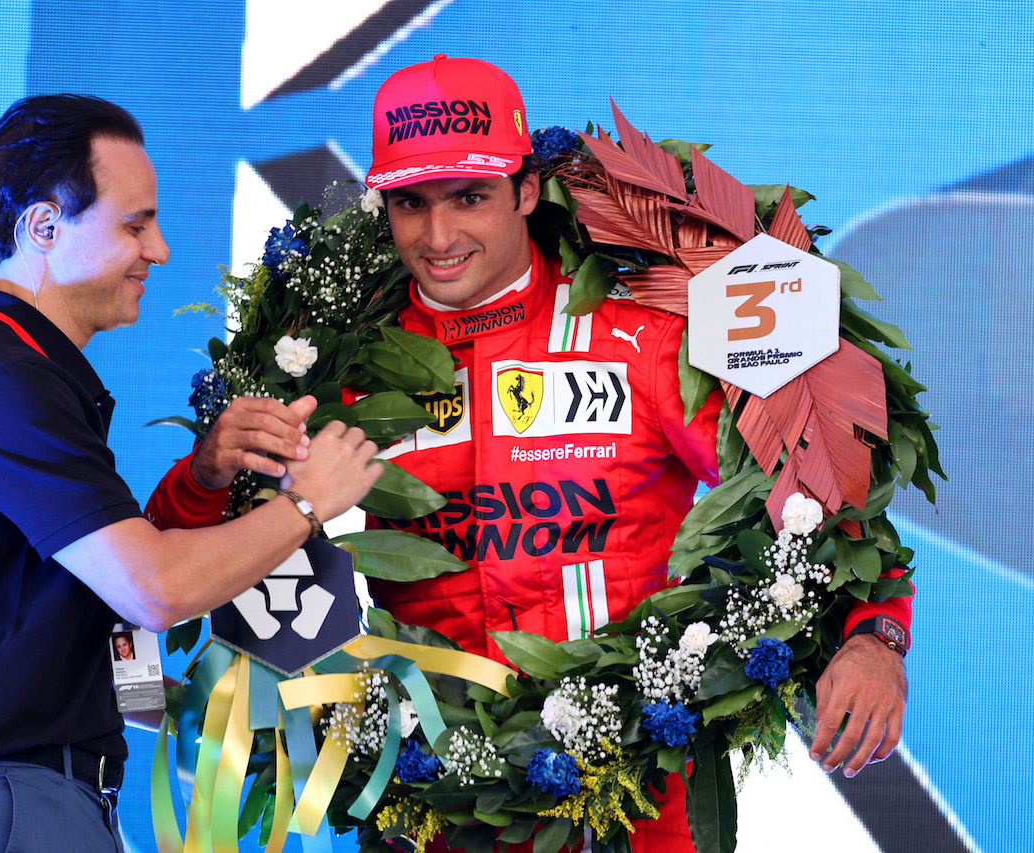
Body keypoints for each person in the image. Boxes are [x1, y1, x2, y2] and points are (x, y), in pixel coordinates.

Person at [356, 56, 912, 852]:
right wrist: (203, 481)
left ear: (524, 188)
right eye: (411, 203)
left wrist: (874, 633)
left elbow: (817, 481)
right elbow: (211, 542)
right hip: (431, 807)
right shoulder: (345, 364)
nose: (439, 237)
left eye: (470, 197)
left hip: (637, 804)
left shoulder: (647, 336)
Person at [0, 94, 381, 853]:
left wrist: (207, 477)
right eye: (135, 223)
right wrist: (309, 502)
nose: (161, 250)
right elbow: (154, 588)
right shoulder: (1, 385)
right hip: (8, 800)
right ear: (43, 226)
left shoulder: (33, 376)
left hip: (30, 796)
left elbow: (80, 617)